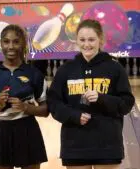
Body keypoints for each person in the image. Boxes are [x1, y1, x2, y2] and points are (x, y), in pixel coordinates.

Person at [47, 19, 135, 169]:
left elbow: (126, 103)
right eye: (82, 40)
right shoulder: (66, 70)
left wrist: (102, 98)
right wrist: (73, 115)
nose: (86, 44)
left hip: (107, 144)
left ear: (100, 40)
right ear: (76, 41)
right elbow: (54, 103)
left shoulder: (115, 68)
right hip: (75, 144)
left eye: (91, 39)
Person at [0, 24, 49, 169]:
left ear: (23, 44)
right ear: (1, 44)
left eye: (16, 41)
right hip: (2, 131)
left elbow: (45, 110)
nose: (11, 46)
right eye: (6, 41)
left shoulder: (34, 74)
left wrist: (26, 107)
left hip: (28, 129)